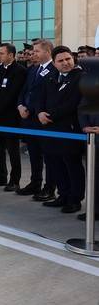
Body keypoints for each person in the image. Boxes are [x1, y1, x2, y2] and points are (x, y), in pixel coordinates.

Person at [35, 46, 85, 213]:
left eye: (68, 59)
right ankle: (62, 195)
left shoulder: (80, 77)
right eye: (61, 61)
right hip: (50, 129)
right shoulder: (50, 78)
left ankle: (74, 199)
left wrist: (49, 115)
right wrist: (40, 112)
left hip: (68, 129)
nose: (65, 63)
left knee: (72, 165)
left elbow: (73, 103)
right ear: (54, 63)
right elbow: (39, 98)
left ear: (73, 59)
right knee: (55, 163)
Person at [16, 39, 56, 200]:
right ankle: (35, 182)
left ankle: (49, 187)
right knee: (34, 154)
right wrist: (20, 105)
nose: (33, 54)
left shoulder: (55, 69)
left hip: (43, 120)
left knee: (49, 156)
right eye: (33, 52)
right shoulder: (33, 69)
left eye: (37, 51)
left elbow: (47, 97)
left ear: (47, 52)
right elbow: (24, 91)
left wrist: (31, 109)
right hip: (29, 119)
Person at [0, 43, 27, 192]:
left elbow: (13, 94)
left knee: (12, 150)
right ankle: (0, 176)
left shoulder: (19, 71)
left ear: (11, 55)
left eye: (2, 53)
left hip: (10, 117)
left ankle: (14, 180)